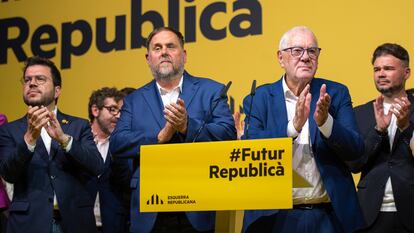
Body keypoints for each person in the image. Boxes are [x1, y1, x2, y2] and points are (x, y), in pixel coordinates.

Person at [109, 27, 236, 233]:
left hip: (198, 207)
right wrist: (158, 137)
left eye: (171, 46)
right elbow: (117, 143)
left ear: (184, 55)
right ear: (148, 58)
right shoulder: (133, 100)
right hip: (150, 211)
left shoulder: (211, 90)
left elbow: (227, 133)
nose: (164, 52)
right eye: (157, 48)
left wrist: (187, 126)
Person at [241, 26, 365, 233]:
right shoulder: (259, 98)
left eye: (312, 51)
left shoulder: (336, 93)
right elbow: (252, 148)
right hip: (276, 218)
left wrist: (326, 123)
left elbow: (356, 149)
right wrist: (292, 128)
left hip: (329, 217)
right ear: (281, 58)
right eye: (297, 51)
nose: (306, 57)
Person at [0, 56, 104, 233]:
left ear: (57, 91)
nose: (32, 83)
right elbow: (8, 173)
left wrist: (65, 140)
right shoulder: (9, 130)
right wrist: (29, 139)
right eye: (27, 80)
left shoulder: (79, 126)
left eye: (40, 79)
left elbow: (96, 166)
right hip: (29, 224)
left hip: (74, 222)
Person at [352, 43, 414, 233]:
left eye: (388, 68)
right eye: (377, 69)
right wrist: (378, 130)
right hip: (370, 213)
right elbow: (354, 164)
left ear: (407, 73)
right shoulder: (360, 113)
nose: (381, 74)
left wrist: (405, 127)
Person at [88, 87, 130, 233]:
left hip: (114, 224)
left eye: (120, 111)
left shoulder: (122, 145)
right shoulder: (76, 141)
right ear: (95, 110)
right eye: (112, 109)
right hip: (78, 222)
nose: (118, 116)